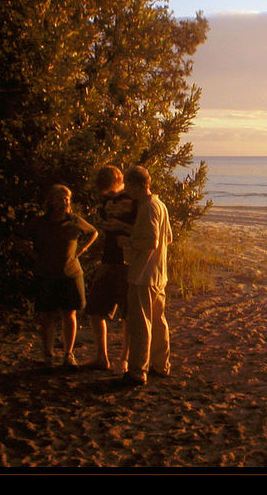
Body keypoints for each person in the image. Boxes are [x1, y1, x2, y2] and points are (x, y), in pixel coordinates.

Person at [20, 184, 98, 369]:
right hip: (46, 274)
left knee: (70, 314)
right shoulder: (40, 223)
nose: (65, 202)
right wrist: (33, 255)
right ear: (51, 201)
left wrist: (81, 250)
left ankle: (68, 354)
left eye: (67, 199)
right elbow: (17, 237)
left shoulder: (74, 221)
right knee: (46, 317)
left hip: (71, 274)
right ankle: (48, 356)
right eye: (61, 198)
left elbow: (93, 232)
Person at [117, 166, 173, 386]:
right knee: (159, 321)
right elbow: (167, 238)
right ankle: (161, 365)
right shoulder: (160, 205)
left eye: (128, 185)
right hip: (159, 274)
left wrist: (128, 242)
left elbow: (152, 242)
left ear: (137, 185)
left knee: (141, 324)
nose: (126, 190)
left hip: (143, 274)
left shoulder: (148, 207)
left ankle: (137, 371)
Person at [84, 165, 137, 372]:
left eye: (110, 189)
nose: (108, 194)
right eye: (105, 191)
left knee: (128, 314)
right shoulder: (106, 201)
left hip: (126, 262)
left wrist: (119, 226)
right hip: (109, 260)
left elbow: (140, 231)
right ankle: (102, 357)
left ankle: (124, 359)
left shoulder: (132, 201)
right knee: (95, 309)